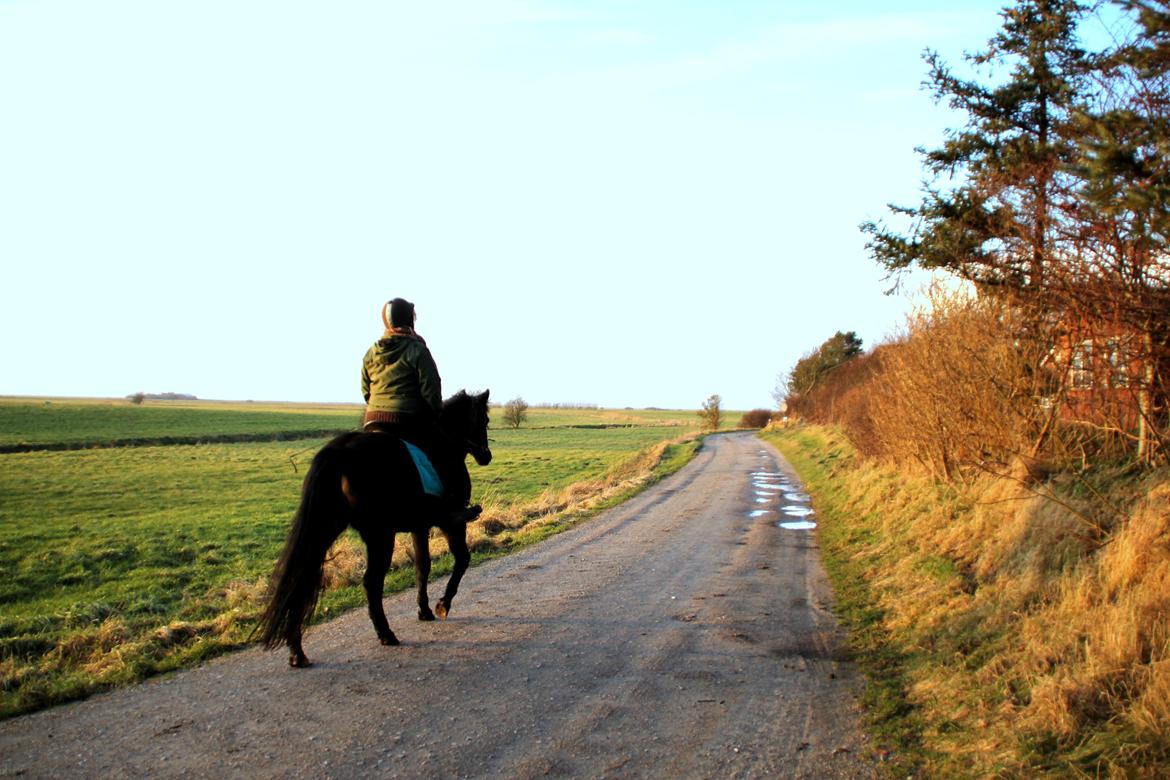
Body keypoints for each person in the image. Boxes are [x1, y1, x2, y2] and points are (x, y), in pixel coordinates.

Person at [361, 298, 479, 522]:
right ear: (409, 320)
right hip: (407, 422)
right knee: (447, 454)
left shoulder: (371, 352)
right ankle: (453, 508)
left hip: (372, 421)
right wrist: (434, 413)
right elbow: (432, 390)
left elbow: (366, 389)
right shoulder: (417, 350)